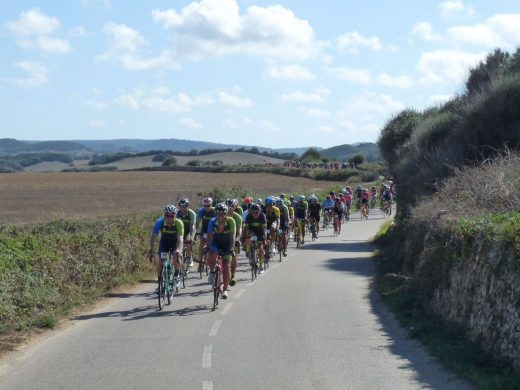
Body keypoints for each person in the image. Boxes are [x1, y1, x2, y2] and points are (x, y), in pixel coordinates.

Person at [149, 205, 184, 290]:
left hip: (175, 243)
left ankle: (176, 275)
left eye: (172, 215)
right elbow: (153, 237)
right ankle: (160, 284)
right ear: (164, 215)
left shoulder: (179, 223)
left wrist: (179, 250)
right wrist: (151, 250)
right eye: (167, 215)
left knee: (176, 256)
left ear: (175, 215)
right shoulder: (159, 222)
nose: (169, 218)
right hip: (164, 243)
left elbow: (180, 239)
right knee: (160, 262)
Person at [206, 203, 236, 299]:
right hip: (215, 244)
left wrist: (231, 249)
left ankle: (225, 290)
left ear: (226, 214)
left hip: (227, 245)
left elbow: (232, 238)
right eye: (218, 214)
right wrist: (209, 247)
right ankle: (211, 271)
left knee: (227, 266)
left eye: (222, 214)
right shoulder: (212, 221)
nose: (220, 216)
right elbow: (209, 236)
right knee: (211, 254)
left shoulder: (231, 221)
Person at [242, 203, 268, 273]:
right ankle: (248, 250)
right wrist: (244, 238)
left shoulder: (262, 216)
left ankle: (261, 266)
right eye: (253, 213)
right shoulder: (248, 216)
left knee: (261, 248)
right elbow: (245, 228)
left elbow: (264, 229)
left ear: (260, 212)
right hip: (251, 231)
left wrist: (265, 239)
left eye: (257, 212)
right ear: (251, 212)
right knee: (248, 235)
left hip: (260, 232)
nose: (255, 214)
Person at [195, 197, 216, 272]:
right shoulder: (201, 211)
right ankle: (200, 263)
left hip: (213, 230)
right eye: (205, 205)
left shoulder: (215, 211)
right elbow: (197, 222)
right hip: (204, 230)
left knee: (211, 245)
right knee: (201, 244)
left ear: (211, 204)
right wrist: (195, 231)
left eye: (208, 205)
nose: (206, 207)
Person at [225, 198, 243, 286]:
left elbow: (239, 230)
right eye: (228, 206)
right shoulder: (221, 215)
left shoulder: (237, 217)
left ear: (235, 207)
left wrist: (237, 239)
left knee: (234, 257)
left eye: (232, 206)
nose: (230, 208)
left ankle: (232, 276)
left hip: (234, 238)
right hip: (223, 237)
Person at [176, 198, 196, 266]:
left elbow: (192, 227)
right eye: (181, 207)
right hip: (179, 231)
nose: (183, 208)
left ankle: (189, 258)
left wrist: (192, 237)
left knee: (187, 241)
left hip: (189, 230)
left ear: (188, 206)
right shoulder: (177, 213)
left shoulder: (191, 213)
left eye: (185, 206)